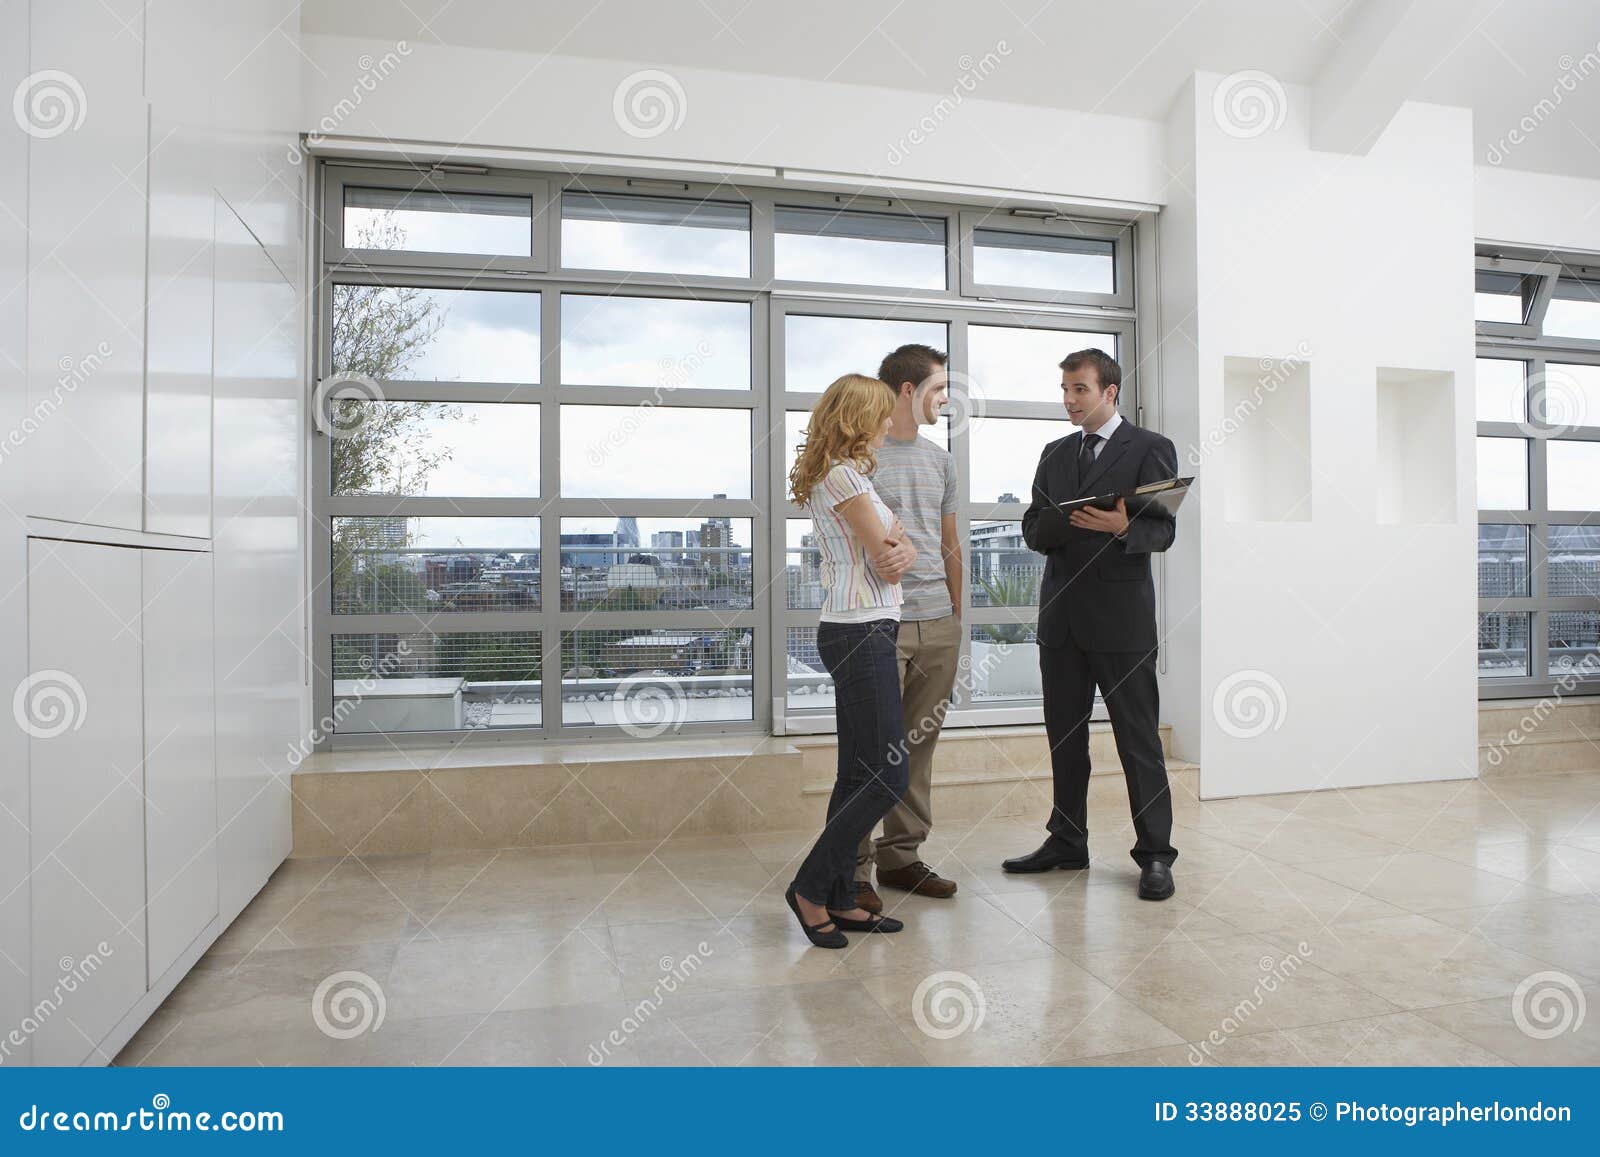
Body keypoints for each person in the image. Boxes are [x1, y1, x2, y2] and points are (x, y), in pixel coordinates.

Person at [1002, 348, 1180, 900]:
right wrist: (1064, 521)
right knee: (1065, 739)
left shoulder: (1150, 448)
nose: (1069, 400)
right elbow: (1033, 528)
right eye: (1064, 389)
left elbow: (1164, 532)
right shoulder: (1055, 453)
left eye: (1079, 389)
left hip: (1122, 624)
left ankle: (1155, 856)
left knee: (1138, 741)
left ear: (1110, 391)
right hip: (1062, 622)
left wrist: (1124, 526)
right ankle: (1067, 840)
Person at [784, 373, 917, 947]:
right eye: (883, 414)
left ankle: (840, 898)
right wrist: (899, 547)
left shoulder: (849, 477)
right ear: (860, 418)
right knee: (888, 774)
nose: (891, 423)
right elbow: (891, 556)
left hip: (860, 628)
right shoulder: (844, 477)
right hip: (861, 632)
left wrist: (900, 546)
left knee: (857, 774)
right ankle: (810, 889)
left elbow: (901, 547)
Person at [851, 344, 964, 913]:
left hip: (936, 622)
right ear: (907, 390)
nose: (946, 398)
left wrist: (955, 616)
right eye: (939, 388)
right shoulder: (860, 457)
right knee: (875, 751)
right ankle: (854, 869)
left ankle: (902, 857)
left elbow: (949, 543)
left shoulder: (941, 460)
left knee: (918, 748)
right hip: (879, 623)